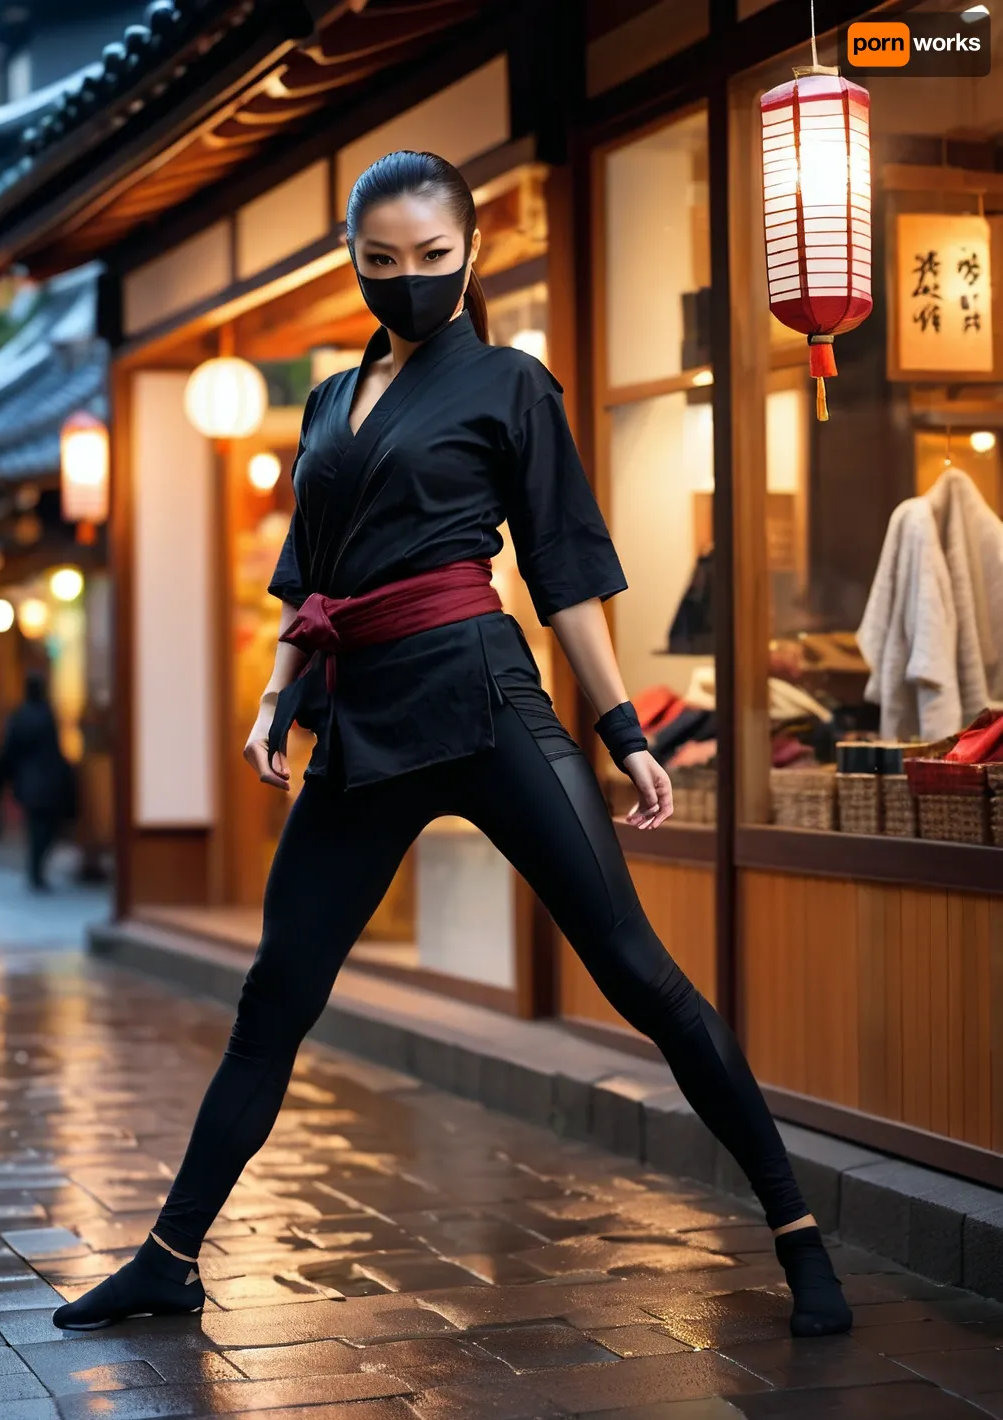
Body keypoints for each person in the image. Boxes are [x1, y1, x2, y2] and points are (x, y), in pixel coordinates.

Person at [53, 151, 851, 1339]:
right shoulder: (328, 402)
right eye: (383, 263)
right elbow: (309, 579)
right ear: (354, 260)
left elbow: (564, 572)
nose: (410, 280)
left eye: (433, 258)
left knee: (638, 972)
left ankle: (798, 1235)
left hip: (482, 696)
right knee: (275, 996)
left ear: (470, 253)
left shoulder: (514, 386)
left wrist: (624, 725)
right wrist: (277, 699)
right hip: (360, 711)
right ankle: (169, 1257)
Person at [0, 669, 76, 891]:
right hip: (47, 778)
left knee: (38, 826)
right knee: (46, 826)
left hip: (30, 779)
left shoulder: (20, 717)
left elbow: (8, 752)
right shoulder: (46, 715)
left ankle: (36, 869)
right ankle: (37, 870)